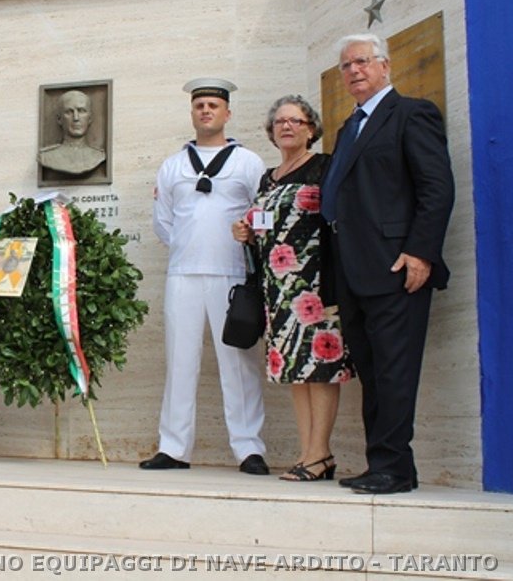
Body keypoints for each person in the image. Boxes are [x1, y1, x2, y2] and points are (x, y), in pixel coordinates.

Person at [321, 33, 454, 494]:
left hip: (396, 267)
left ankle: (393, 468)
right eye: (346, 66)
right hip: (354, 271)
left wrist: (421, 252)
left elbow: (436, 187)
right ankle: (387, 464)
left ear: (385, 65)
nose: (353, 71)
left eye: (361, 61)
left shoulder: (412, 113)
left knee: (396, 371)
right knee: (374, 373)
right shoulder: (348, 128)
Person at [142, 77, 269, 475]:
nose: (206, 111)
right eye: (200, 106)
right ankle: (174, 447)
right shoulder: (173, 165)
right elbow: (163, 221)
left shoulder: (248, 162)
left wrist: (248, 240)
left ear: (227, 113)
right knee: (180, 361)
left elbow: (263, 214)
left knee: (239, 362)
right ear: (192, 112)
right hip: (184, 274)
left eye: (213, 105)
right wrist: (187, 245)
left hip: (232, 273)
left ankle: (248, 448)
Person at [232, 95, 355, 481]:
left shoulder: (325, 167)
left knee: (321, 367)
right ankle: (310, 453)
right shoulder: (268, 177)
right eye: (279, 122)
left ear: (311, 128)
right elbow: (266, 226)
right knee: (296, 371)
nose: (286, 126)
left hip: (315, 284)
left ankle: (319, 454)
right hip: (278, 289)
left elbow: (341, 218)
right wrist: (246, 231)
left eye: (295, 121)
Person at [38, 90, 105, 175]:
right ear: (59, 119)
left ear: (90, 118)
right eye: (69, 112)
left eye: (81, 111)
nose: (76, 118)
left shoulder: (99, 156)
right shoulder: (47, 157)